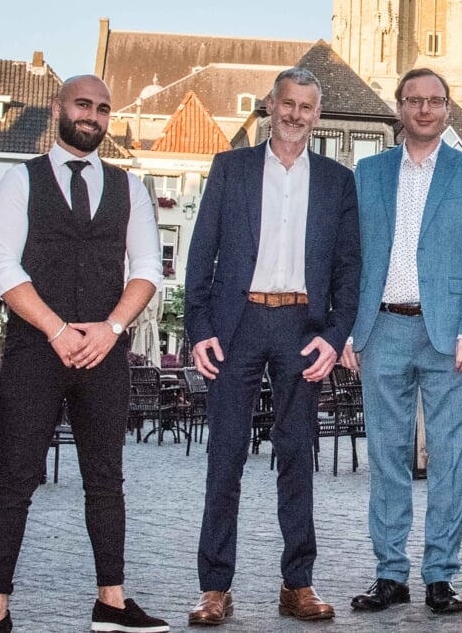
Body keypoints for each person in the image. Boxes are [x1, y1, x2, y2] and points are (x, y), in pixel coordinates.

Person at [0, 74, 170, 633]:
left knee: (106, 478)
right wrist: (58, 330)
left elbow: (148, 268)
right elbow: (2, 267)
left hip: (106, 354)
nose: (93, 116)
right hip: (36, 351)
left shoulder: (129, 188)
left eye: (104, 109)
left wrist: (110, 329)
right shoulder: (20, 180)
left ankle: (111, 601)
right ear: (59, 109)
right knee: (15, 477)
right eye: (84, 104)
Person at [183, 67, 362, 626]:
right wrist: (198, 328)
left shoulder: (338, 181)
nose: (296, 115)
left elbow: (349, 270)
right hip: (237, 326)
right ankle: (215, 588)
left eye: (307, 107)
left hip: (302, 330)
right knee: (225, 457)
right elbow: (200, 255)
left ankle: (298, 584)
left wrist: (335, 337)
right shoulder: (230, 169)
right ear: (270, 105)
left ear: (317, 115)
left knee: (296, 458)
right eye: (288, 104)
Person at [341, 67, 462, 616]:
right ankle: (389, 574)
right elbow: (351, 257)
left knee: (449, 458)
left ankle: (439, 576)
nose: (425, 109)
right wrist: (349, 331)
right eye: (414, 100)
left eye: (435, 101)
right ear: (400, 109)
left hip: (446, 335)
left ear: (448, 108)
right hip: (381, 329)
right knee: (387, 457)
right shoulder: (369, 172)